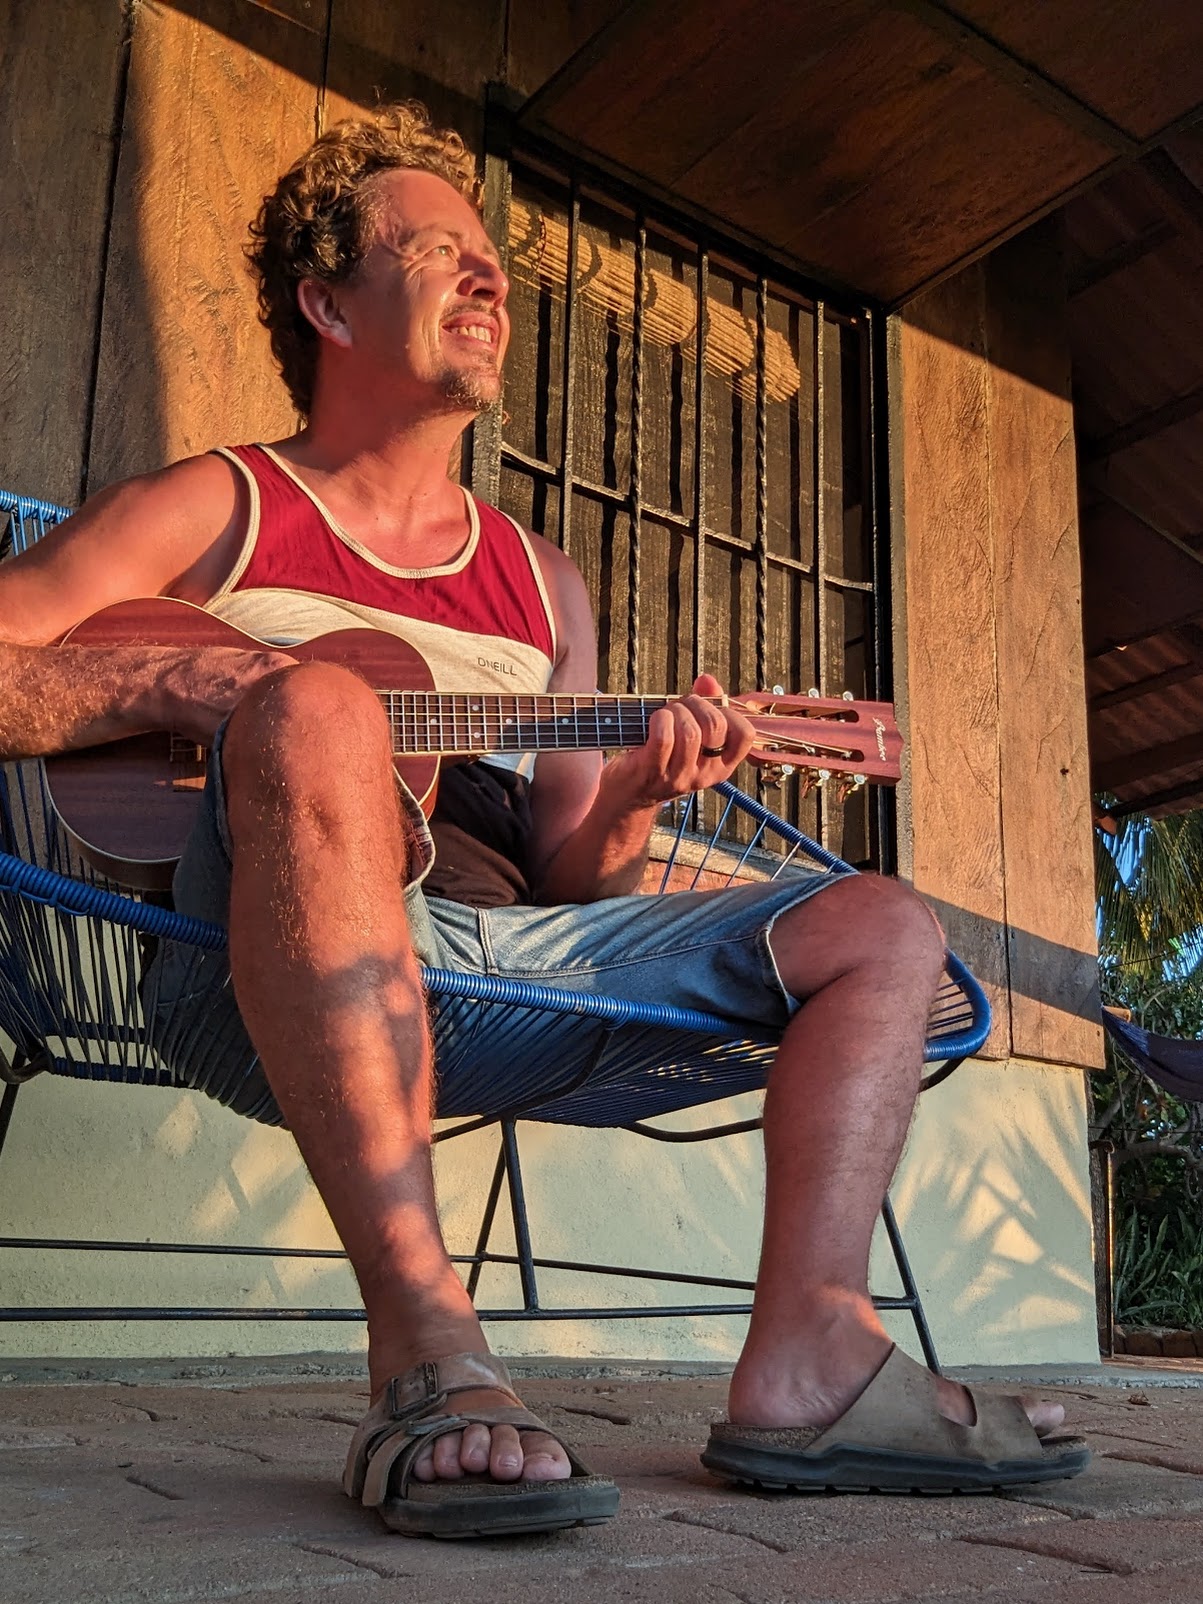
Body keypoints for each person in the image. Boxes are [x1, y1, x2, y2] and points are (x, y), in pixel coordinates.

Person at [0, 104, 1087, 1540]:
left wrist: (638, 787)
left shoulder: (541, 586)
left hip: (506, 967)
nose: (490, 276)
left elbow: (579, 876)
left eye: (491, 257)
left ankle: (812, 1360)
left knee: (884, 926)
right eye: (434, 249)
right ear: (326, 301)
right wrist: (220, 681)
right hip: (248, 966)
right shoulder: (222, 507)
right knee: (321, 708)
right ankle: (429, 1355)